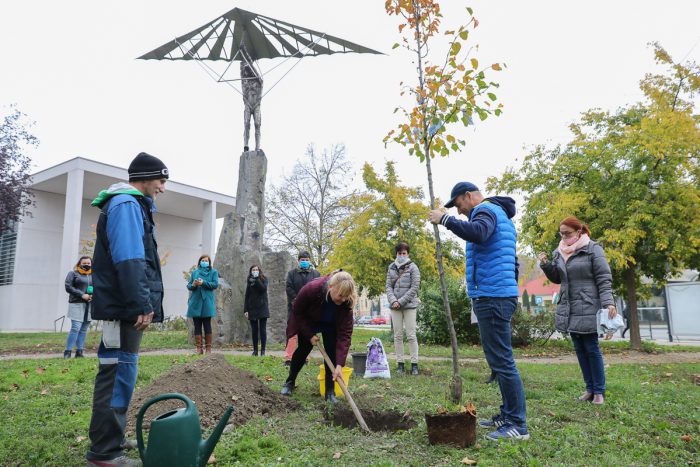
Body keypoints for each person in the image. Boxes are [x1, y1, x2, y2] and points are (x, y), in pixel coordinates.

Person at [429, 181, 529, 441]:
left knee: (502, 362)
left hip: (493, 296)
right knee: (499, 361)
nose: (460, 211)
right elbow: (510, 261)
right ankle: (508, 414)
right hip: (497, 294)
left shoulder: (484, 210)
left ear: (468, 196)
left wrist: (445, 219)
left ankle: (517, 424)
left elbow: (479, 233)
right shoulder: (500, 215)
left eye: (458, 205)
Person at [86, 152, 168, 467]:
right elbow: (130, 259)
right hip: (124, 309)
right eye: (161, 180)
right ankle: (105, 453)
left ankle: (112, 438)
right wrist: (141, 304)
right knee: (117, 375)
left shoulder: (129, 205)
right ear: (145, 178)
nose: (162, 187)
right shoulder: (126, 205)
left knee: (121, 372)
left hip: (123, 307)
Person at [538, 216, 617, 406]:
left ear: (579, 231)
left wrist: (609, 303)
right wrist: (546, 265)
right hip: (569, 306)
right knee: (580, 350)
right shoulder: (559, 252)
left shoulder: (593, 249)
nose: (564, 237)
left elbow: (603, 278)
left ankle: (599, 391)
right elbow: (558, 278)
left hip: (589, 305)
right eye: (561, 234)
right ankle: (589, 389)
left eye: (567, 233)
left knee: (591, 348)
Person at [280, 271, 358, 404]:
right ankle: (290, 381)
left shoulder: (347, 302)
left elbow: (345, 335)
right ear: (331, 287)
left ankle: (330, 391)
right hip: (309, 320)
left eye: (346, 296)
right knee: (303, 349)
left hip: (331, 324)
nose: (343, 299)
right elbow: (298, 312)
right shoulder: (312, 289)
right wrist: (309, 335)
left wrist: (340, 364)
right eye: (340, 295)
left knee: (332, 353)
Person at [385, 242, 421, 375]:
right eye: (399, 253)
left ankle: (414, 364)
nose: (401, 255)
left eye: (404, 253)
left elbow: (414, 287)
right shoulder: (391, 267)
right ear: (396, 254)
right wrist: (393, 301)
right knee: (398, 336)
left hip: (409, 306)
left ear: (408, 254)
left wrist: (400, 301)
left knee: (411, 335)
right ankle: (400, 363)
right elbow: (388, 286)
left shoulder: (413, 267)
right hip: (395, 306)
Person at [284, 251, 320, 366]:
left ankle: (305, 358)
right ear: (298, 261)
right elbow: (289, 288)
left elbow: (319, 288)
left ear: (310, 261)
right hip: (294, 309)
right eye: (302, 260)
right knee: (292, 333)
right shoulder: (292, 274)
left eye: (307, 260)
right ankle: (289, 358)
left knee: (307, 333)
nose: (304, 262)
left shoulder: (316, 274)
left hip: (309, 310)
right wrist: (296, 301)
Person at [186, 254, 219, 354]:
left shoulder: (213, 272)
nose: (204, 262)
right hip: (195, 301)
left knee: (207, 324)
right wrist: (194, 284)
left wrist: (203, 283)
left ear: (209, 262)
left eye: (206, 261)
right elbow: (189, 285)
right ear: (200, 262)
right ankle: (199, 348)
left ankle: (208, 348)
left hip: (207, 301)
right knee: (197, 325)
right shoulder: (195, 272)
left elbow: (215, 284)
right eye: (203, 260)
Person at [64, 256, 93, 359]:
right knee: (76, 327)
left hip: (89, 304)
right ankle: (67, 352)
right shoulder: (73, 273)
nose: (86, 265)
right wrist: (82, 295)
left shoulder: (93, 275)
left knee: (84, 329)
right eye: (84, 263)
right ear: (79, 264)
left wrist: (93, 295)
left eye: (88, 263)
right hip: (76, 303)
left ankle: (79, 352)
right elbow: (68, 287)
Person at [244, 264, 269, 356]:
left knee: (262, 330)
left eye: (256, 270)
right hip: (252, 308)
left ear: (259, 271)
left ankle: (263, 351)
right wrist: (245, 310)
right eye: (253, 270)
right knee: (254, 330)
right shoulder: (249, 281)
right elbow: (247, 295)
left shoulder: (264, 279)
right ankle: (255, 350)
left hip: (262, 307)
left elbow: (263, 289)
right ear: (251, 271)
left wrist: (257, 279)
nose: (255, 271)